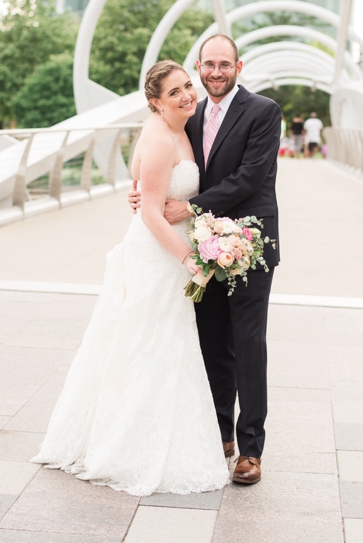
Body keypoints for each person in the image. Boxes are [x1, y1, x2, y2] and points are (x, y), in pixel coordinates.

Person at [32, 60, 230, 496]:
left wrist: (145, 191)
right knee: (148, 343)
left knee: (163, 345)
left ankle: (156, 430)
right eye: (174, 92)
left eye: (186, 86)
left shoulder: (181, 128)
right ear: (156, 103)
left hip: (169, 247)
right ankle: (125, 445)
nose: (186, 95)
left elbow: (142, 186)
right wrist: (189, 260)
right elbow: (150, 214)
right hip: (159, 254)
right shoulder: (162, 137)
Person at [128, 34, 282, 485]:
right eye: (208, 65)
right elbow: (161, 162)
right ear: (199, 66)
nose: (215, 72)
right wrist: (141, 192)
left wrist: (193, 207)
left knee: (249, 346)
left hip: (249, 244)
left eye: (224, 64)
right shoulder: (187, 115)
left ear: (239, 66)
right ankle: (220, 435)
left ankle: (250, 449)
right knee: (213, 345)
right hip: (201, 247)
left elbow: (251, 176)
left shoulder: (263, 111)